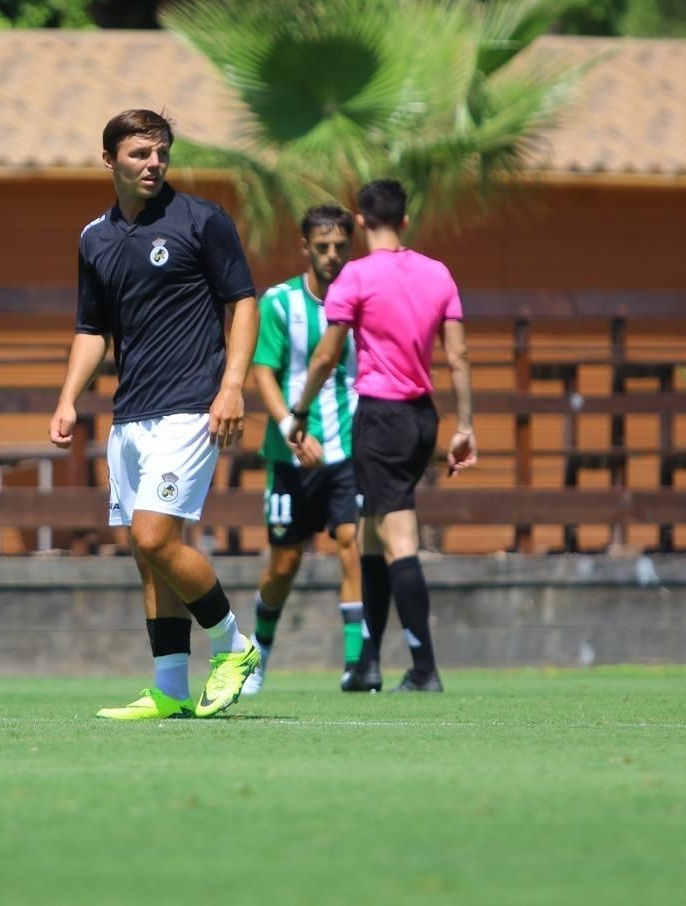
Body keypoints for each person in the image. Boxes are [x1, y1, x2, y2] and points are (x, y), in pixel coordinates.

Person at [50, 108, 262, 720]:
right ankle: (170, 689)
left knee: (155, 536)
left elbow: (242, 305)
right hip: (131, 415)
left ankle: (234, 646)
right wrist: (68, 397)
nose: (154, 163)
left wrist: (232, 387)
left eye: (162, 152)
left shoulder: (202, 220)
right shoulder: (94, 237)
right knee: (149, 556)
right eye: (141, 153)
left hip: (192, 406)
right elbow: (92, 329)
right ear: (110, 160)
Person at [288, 180, 475, 693]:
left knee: (398, 539)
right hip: (421, 420)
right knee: (371, 532)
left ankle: (424, 667)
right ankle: (367, 662)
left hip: (381, 419)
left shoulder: (356, 276)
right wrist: (465, 426)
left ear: (362, 222)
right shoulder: (438, 273)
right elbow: (458, 356)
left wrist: (298, 411)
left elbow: (327, 355)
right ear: (406, 221)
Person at [244, 204, 364, 696]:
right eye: (323, 246)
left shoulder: (362, 302)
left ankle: (358, 665)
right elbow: (263, 372)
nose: (332, 255)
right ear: (306, 247)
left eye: (340, 246)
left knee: (352, 544)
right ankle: (258, 655)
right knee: (284, 563)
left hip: (348, 447)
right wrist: (290, 426)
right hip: (289, 454)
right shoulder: (279, 303)